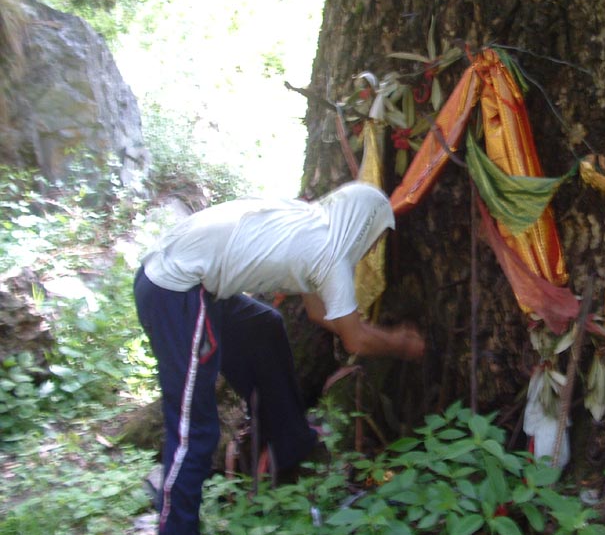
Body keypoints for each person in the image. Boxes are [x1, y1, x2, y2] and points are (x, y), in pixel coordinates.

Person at [133, 182, 425, 534]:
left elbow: (320, 314)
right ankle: (177, 526)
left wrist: (372, 333)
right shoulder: (329, 252)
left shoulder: (312, 225)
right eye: (377, 237)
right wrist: (403, 344)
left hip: (193, 282)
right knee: (195, 428)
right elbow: (355, 341)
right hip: (174, 290)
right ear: (363, 225)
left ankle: (290, 444)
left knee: (264, 326)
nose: (374, 247)